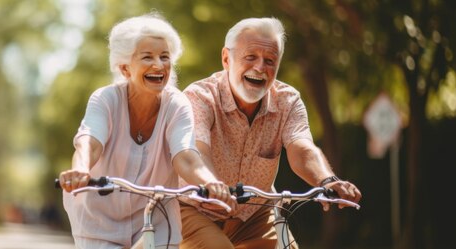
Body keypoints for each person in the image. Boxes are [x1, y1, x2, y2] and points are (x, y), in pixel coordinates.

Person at [178, 17, 363, 249]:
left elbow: (302, 149)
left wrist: (327, 180)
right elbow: (197, 150)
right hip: (196, 208)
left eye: (270, 61)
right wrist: (213, 185)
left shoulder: (287, 101)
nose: (260, 68)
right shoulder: (199, 97)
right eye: (250, 57)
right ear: (226, 58)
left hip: (255, 214)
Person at [58, 13, 232, 249]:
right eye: (147, 57)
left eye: (165, 57)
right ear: (125, 69)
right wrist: (80, 170)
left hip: (156, 218)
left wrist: (211, 183)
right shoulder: (105, 99)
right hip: (100, 218)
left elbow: (187, 158)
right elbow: (90, 143)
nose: (159, 65)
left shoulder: (177, 104)